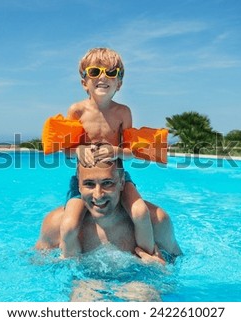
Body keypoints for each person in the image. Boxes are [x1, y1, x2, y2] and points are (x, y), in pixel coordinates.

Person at [57, 48, 156, 258]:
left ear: (119, 83)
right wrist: (80, 149)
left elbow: (131, 153)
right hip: (84, 181)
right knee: (68, 226)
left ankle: (148, 260)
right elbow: (67, 152)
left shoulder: (123, 112)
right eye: (94, 72)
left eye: (111, 73)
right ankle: (72, 270)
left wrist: (116, 150)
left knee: (141, 213)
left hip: (118, 177)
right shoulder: (77, 111)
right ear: (84, 82)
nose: (103, 77)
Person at [35, 153, 182, 264]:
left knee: (144, 295)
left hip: (137, 284)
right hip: (85, 285)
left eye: (107, 183)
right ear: (77, 185)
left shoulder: (156, 221)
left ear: (122, 182)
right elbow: (36, 266)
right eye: (89, 184)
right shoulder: (56, 224)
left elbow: (179, 266)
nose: (98, 195)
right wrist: (60, 264)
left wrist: (161, 271)